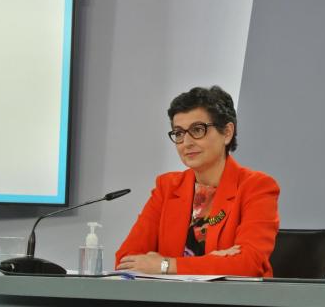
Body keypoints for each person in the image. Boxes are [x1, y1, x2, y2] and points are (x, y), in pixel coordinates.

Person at [116, 86, 280, 276]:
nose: (186, 142)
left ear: (227, 133)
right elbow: (126, 260)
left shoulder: (257, 187)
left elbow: (248, 264)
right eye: (178, 133)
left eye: (197, 130)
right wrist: (216, 262)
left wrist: (165, 265)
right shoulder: (167, 187)